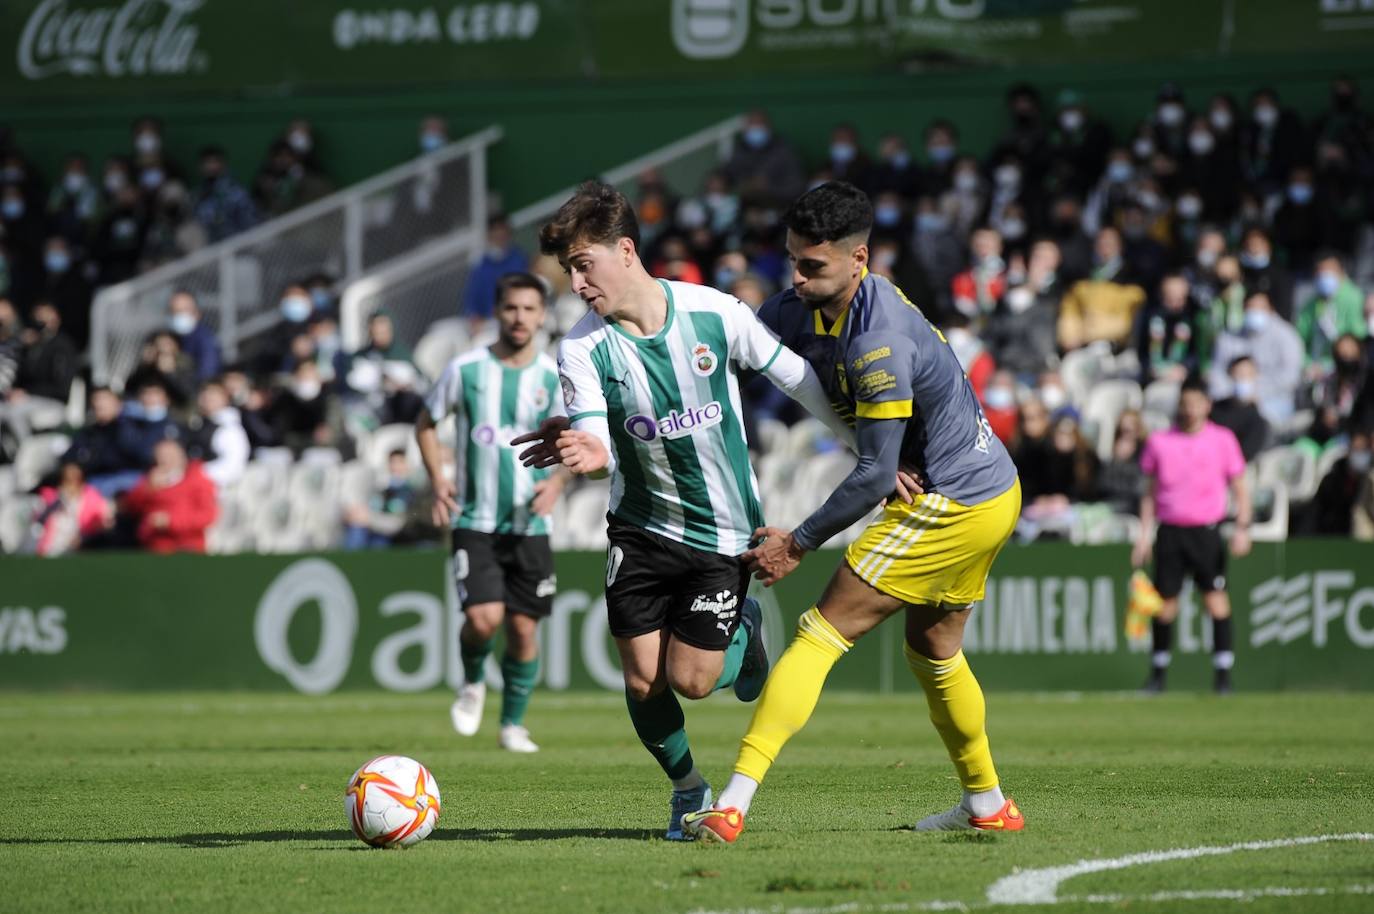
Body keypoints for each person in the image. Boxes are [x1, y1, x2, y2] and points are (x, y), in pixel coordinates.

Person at [512, 182, 860, 840]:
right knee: (644, 680)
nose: (578, 284)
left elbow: (794, 377)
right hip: (639, 529)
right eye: (568, 272)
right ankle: (687, 788)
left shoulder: (712, 313)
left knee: (693, 681)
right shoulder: (583, 349)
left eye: (584, 265)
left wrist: (867, 448)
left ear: (626, 251)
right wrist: (590, 446)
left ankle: (744, 637)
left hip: (720, 529)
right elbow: (595, 432)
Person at [681, 181, 1023, 844]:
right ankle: (987, 804)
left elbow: (872, 479)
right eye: (793, 262)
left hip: (953, 499)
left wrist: (797, 543)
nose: (798, 278)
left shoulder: (878, 340)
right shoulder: (809, 306)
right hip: (989, 489)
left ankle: (733, 803)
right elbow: (738, 339)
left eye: (814, 266)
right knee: (935, 651)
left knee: (820, 632)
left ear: (859, 260)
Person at [417, 272, 568, 754]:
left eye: (529, 309)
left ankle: (512, 725)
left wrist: (559, 484)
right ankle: (472, 680)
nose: (519, 317)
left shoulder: (553, 378)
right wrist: (439, 476)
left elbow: (576, 442)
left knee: (523, 628)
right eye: (511, 308)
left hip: (531, 523)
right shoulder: (465, 370)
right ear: (497, 313)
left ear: (543, 316)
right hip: (474, 519)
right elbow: (426, 423)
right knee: (483, 620)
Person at [1132, 375, 1251, 694]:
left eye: (1197, 403)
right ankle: (1157, 674)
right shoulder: (1160, 441)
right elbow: (1149, 493)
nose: (1190, 409)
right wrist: (1143, 536)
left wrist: (1242, 528)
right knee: (1166, 605)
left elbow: (1240, 488)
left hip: (1206, 532)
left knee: (1216, 602)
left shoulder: (1222, 440)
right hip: (1170, 531)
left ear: (1207, 405)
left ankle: (1223, 675)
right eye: (1185, 403)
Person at [121, 438, 219, 554]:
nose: (166, 459)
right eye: (161, 455)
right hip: (155, 545)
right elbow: (130, 506)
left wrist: (171, 521)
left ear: (182, 455)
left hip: (188, 545)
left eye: (171, 455)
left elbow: (208, 515)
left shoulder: (197, 479)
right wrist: (148, 488)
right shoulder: (150, 479)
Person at [29, 461, 113, 556]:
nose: (72, 484)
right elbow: (38, 523)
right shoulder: (50, 498)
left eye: (76, 479)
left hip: (79, 550)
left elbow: (104, 521)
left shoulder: (93, 498)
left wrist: (83, 538)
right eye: (68, 480)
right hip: (50, 550)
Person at [461, 215, 529, 326]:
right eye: (495, 233)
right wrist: (474, 317)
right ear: (489, 236)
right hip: (488, 323)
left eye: (502, 233)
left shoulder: (520, 260)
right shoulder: (481, 267)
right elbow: (471, 301)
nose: (499, 237)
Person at [343, 449, 417, 550]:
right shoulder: (381, 489)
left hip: (400, 536)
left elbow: (399, 523)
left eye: (399, 462)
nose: (395, 467)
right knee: (356, 530)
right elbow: (370, 508)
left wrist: (369, 520)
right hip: (376, 529)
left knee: (379, 541)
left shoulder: (411, 492)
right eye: (392, 463)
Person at [1307, 428, 1374, 537]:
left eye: (1364, 450)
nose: (1360, 454)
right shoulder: (1331, 480)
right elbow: (1315, 514)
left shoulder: (1369, 481)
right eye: (1357, 449)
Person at [1209, 356, 1270, 462]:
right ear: (1230, 375)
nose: (1242, 379)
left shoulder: (1257, 419)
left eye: (1247, 375)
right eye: (1238, 374)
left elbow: (1246, 455)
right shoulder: (1214, 409)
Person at [168, 290, 223, 382]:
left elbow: (208, 372)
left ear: (197, 313)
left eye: (185, 310)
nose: (181, 315)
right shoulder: (169, 338)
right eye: (176, 311)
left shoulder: (205, 339)